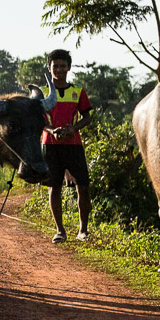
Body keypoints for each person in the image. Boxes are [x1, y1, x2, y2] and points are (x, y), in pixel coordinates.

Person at [43, 48, 92, 243]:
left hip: (74, 145)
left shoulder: (77, 91)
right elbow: (39, 121)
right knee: (54, 188)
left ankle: (83, 230)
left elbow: (87, 117)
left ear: (69, 67)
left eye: (63, 66)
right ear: (50, 68)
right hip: (51, 145)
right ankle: (60, 230)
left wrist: (73, 128)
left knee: (84, 187)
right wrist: (51, 130)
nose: (59, 69)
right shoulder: (43, 93)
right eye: (55, 66)